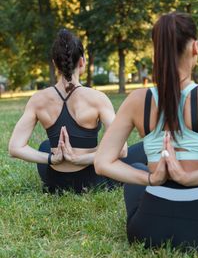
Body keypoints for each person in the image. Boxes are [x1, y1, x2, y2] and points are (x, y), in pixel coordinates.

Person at [94, 12, 198, 252]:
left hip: (145, 231)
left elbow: (102, 162)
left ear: (156, 51)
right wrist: (189, 179)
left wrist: (151, 179)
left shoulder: (137, 100)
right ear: (195, 48)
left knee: (136, 171)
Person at [9, 29, 146, 194]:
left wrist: (52, 159)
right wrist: (79, 160)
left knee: (46, 146)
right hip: (92, 181)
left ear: (55, 63)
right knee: (147, 145)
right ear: (82, 61)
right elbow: (122, 150)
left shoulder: (38, 100)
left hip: (55, 184)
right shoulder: (97, 98)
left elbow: (15, 148)